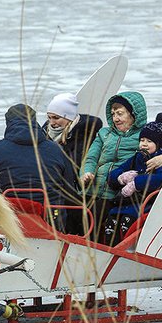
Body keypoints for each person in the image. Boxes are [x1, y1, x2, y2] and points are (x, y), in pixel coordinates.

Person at [80, 91, 162, 241]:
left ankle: (101, 253)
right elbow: (92, 157)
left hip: (117, 194)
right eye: (113, 113)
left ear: (133, 114)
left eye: (120, 113)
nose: (115, 118)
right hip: (96, 187)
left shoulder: (145, 135)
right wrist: (87, 172)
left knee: (104, 221)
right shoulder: (105, 133)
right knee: (78, 214)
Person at [0, 104, 76, 230]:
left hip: (10, 216)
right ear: (34, 120)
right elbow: (70, 189)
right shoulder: (56, 149)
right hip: (52, 219)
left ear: (8, 122)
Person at [100, 113, 162, 245]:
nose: (144, 144)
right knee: (112, 219)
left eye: (149, 141)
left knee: (127, 220)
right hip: (129, 201)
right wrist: (120, 177)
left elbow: (160, 177)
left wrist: (136, 182)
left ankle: (125, 249)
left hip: (146, 203)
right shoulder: (139, 157)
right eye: (142, 140)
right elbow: (116, 173)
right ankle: (109, 247)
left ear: (160, 144)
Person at [42, 92, 104, 234]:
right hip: (50, 191)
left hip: (73, 192)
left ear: (68, 117)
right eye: (49, 117)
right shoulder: (44, 134)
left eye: (56, 118)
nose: (52, 123)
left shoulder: (86, 137)